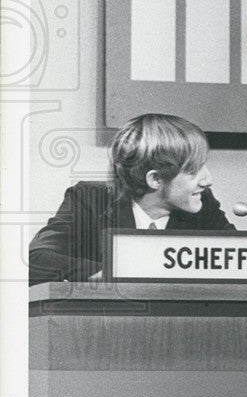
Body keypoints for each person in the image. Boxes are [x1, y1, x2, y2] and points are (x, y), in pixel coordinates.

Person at [28, 113, 233, 285]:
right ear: (155, 179)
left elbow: (240, 267)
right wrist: (105, 274)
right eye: (193, 171)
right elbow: (35, 260)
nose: (208, 180)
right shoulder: (88, 199)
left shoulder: (203, 203)